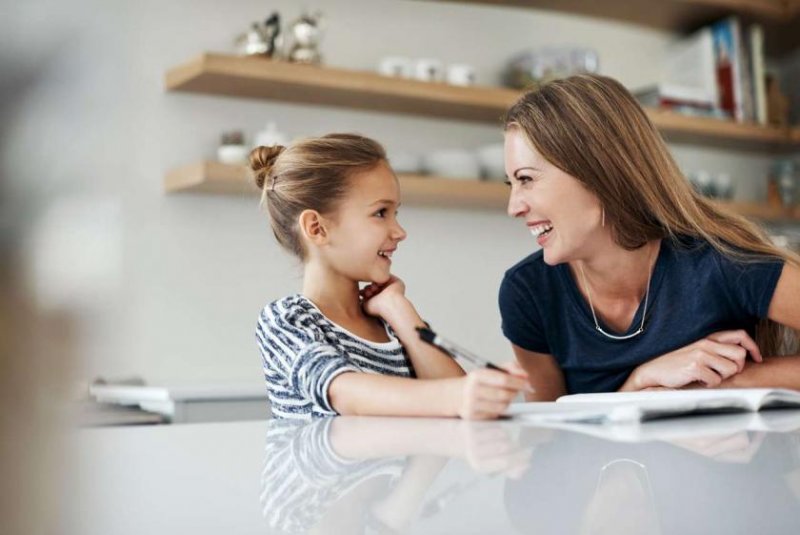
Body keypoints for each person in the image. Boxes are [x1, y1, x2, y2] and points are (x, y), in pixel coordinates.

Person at [498, 74, 800, 400]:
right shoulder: (528, 292)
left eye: (526, 179)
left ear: (598, 172)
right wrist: (641, 384)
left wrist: (719, 385)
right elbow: (547, 437)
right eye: (510, 184)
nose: (514, 206)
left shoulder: (724, 262)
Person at [253, 133, 529, 420]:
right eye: (381, 213)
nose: (400, 231)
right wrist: (458, 395)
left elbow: (455, 404)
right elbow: (344, 393)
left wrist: (400, 310)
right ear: (317, 228)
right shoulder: (286, 320)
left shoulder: (393, 325)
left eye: (395, 213)